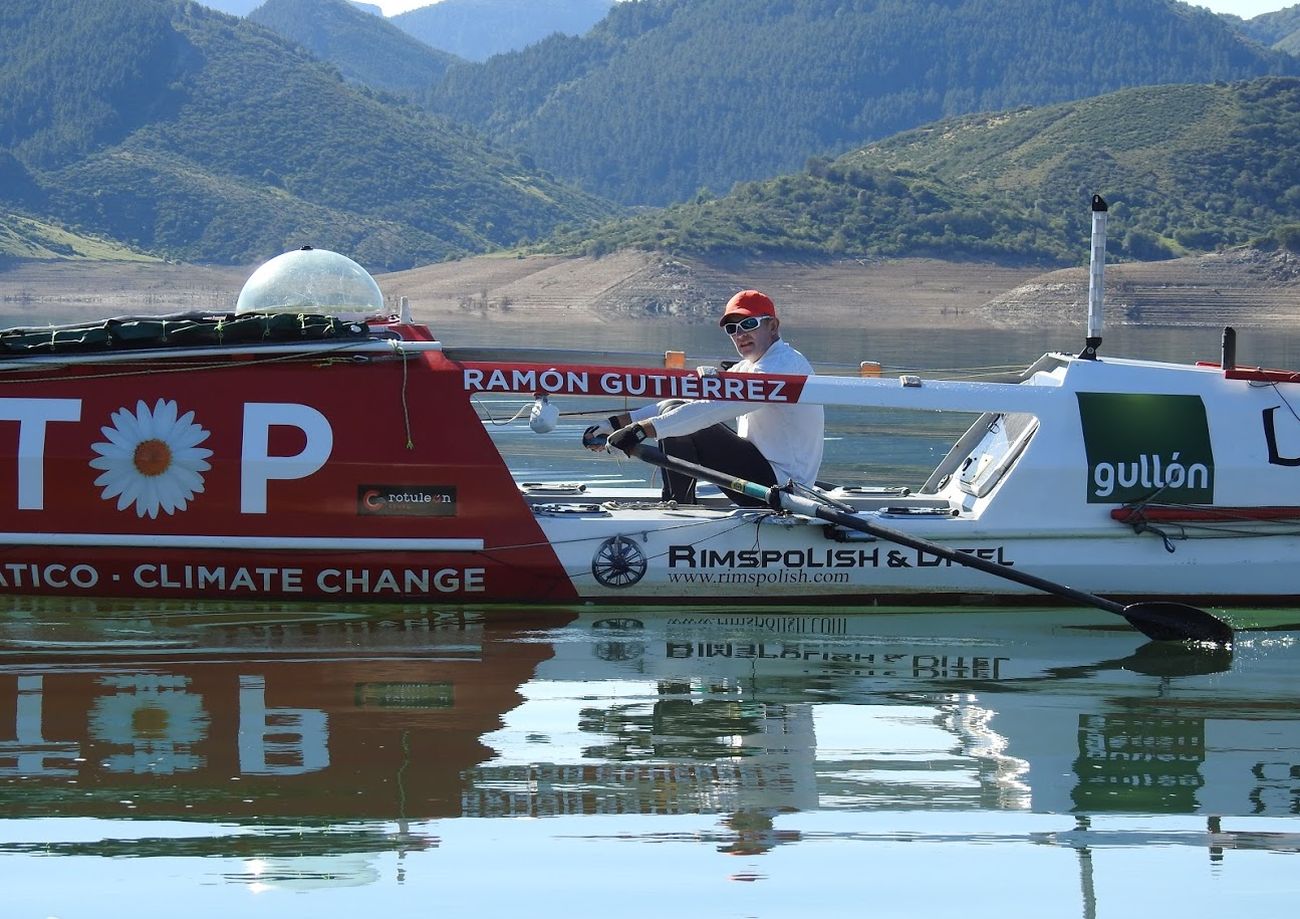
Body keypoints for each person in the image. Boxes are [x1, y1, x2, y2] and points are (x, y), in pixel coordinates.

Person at [584, 289, 824, 507]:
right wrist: (616, 423)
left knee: (687, 424)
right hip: (762, 476)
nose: (740, 334)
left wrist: (639, 431)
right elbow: (687, 404)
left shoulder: (784, 365)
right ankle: (679, 503)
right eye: (733, 329)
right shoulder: (749, 367)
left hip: (785, 490)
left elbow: (711, 410)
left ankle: (678, 507)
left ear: (773, 326)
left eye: (749, 324)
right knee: (673, 408)